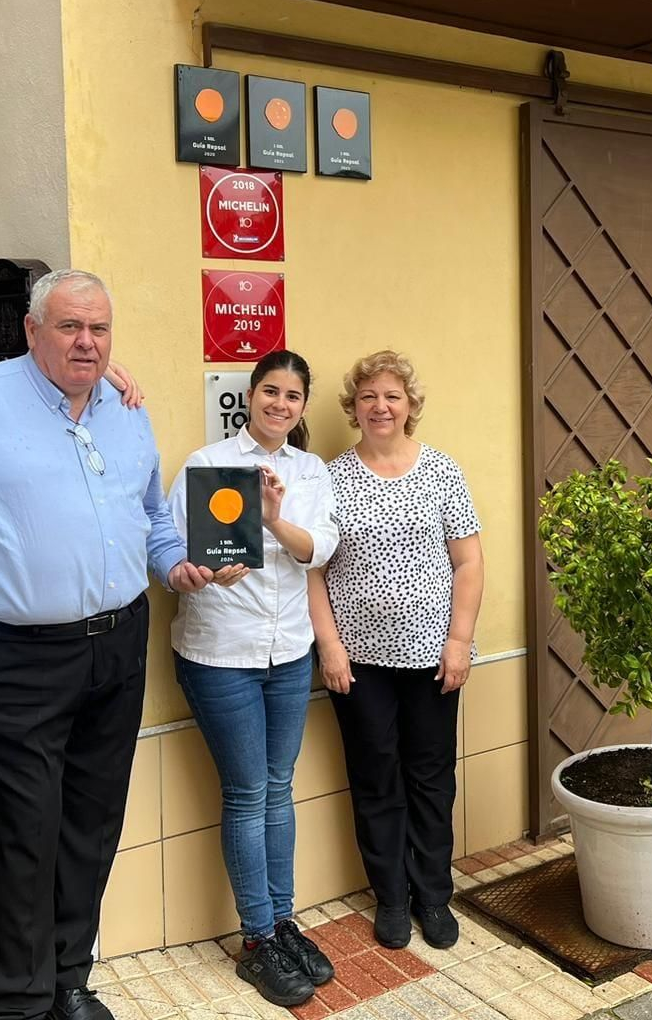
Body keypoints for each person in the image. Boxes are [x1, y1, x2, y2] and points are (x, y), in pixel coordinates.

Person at [0, 269, 199, 1020]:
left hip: (118, 647)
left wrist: (176, 567)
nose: (87, 342)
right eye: (69, 327)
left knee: (91, 824)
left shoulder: (127, 410)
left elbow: (152, 517)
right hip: (15, 657)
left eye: (99, 329)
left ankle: (67, 979)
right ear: (31, 331)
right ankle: (18, 1004)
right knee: (20, 832)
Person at [167, 350, 339, 1009]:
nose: (280, 404)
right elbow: (172, 551)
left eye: (292, 396)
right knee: (247, 793)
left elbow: (318, 548)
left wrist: (269, 518)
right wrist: (201, 572)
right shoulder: (208, 464)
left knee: (278, 788)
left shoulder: (310, 470)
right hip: (220, 653)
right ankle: (258, 939)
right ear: (250, 395)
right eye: (270, 391)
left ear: (302, 406)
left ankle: (284, 921)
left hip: (289, 651)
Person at [307, 350, 483, 951]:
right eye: (368, 397)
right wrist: (330, 647)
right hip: (359, 663)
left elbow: (468, 561)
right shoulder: (330, 478)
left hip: (434, 657)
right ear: (353, 408)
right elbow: (313, 570)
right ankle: (390, 896)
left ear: (409, 406)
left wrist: (459, 642)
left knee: (431, 778)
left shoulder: (441, 471)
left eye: (391, 396)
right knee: (375, 777)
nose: (380, 407)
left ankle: (433, 895)